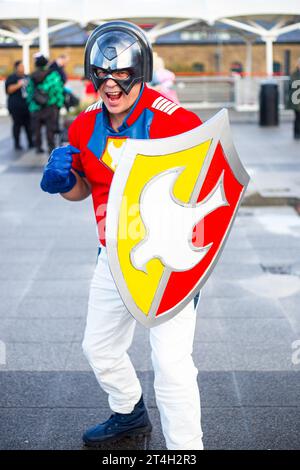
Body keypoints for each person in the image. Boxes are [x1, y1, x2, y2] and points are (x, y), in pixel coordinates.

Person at [40, 21, 203, 450]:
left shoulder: (177, 123)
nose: (111, 85)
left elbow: (206, 191)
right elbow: (80, 192)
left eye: (122, 75)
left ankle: (187, 449)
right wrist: (63, 183)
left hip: (169, 261)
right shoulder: (82, 126)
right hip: (112, 255)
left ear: (140, 71)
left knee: (171, 363)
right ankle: (130, 414)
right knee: (99, 348)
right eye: (102, 76)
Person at [27, 54, 65, 153]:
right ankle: (50, 147)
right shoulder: (53, 75)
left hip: (36, 106)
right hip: (50, 106)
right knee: (50, 128)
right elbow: (58, 89)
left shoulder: (32, 76)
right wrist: (58, 104)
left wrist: (31, 104)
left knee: (37, 128)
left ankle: (38, 147)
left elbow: (29, 91)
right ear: (46, 63)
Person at [5, 60, 33, 150]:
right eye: (21, 66)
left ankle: (31, 143)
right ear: (16, 67)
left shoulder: (28, 77)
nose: (23, 68)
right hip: (16, 106)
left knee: (29, 125)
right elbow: (9, 90)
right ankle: (17, 144)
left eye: (23, 66)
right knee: (17, 125)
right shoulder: (12, 77)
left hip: (27, 106)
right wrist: (19, 84)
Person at [290, 58, 300, 139]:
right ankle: (296, 133)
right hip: (297, 101)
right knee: (297, 118)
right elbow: (294, 85)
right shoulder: (295, 74)